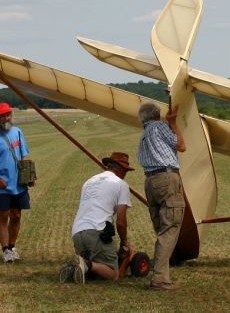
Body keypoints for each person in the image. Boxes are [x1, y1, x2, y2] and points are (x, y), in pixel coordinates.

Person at [59, 152, 134, 284]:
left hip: (77, 233)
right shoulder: (121, 184)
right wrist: (124, 242)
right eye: (125, 171)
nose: (125, 174)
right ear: (120, 169)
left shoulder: (89, 181)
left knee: (96, 275)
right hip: (97, 232)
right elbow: (121, 222)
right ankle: (86, 265)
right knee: (112, 273)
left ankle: (76, 267)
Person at [136, 102, 186, 291]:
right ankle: (159, 280)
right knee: (170, 226)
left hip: (150, 181)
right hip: (166, 177)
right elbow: (181, 146)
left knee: (162, 229)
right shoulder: (160, 126)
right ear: (157, 115)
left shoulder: (144, 134)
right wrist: (173, 123)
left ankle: (162, 275)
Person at [0, 102, 32, 263]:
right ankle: (5, 251)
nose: (6, 118)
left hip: (19, 185)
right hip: (1, 186)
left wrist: (28, 176)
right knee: (3, 216)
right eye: (2, 115)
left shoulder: (17, 132)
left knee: (16, 215)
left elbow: (24, 156)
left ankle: (12, 246)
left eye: (8, 114)